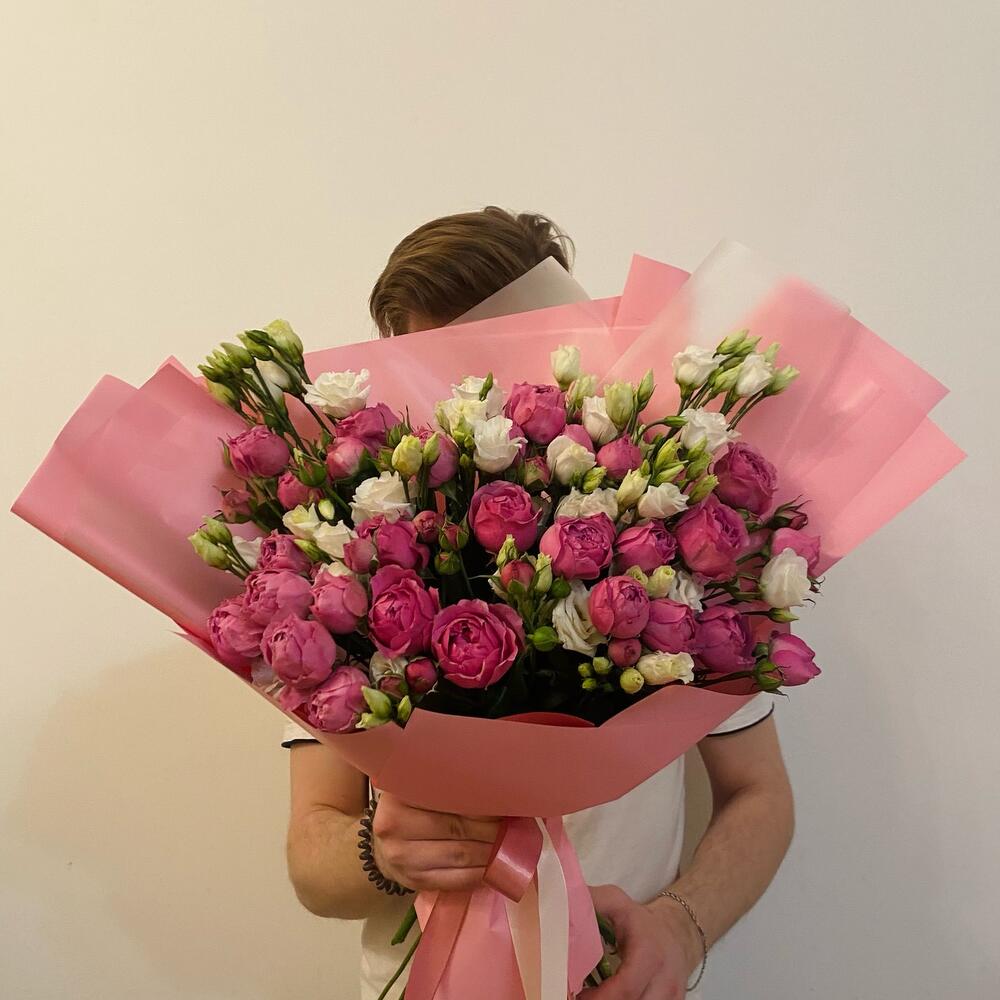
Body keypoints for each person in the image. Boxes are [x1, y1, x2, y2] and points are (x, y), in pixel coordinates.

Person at [283, 207, 795, 999]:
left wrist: (681, 927)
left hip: (617, 981)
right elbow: (312, 855)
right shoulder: (345, 570)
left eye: (494, 368)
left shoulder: (675, 551)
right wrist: (380, 855)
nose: (471, 402)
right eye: (433, 375)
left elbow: (760, 794)